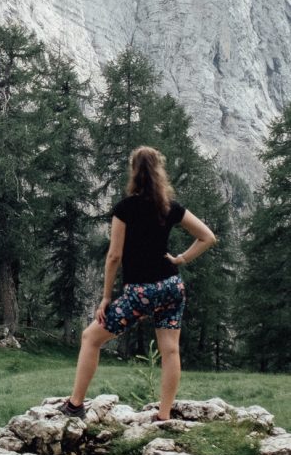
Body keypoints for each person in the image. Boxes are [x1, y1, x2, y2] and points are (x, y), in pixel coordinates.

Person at [63, 145, 217, 422]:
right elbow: (207, 236)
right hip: (171, 286)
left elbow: (114, 256)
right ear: (159, 171)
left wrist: (106, 297)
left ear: (134, 171)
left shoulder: (125, 208)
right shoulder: (169, 207)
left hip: (140, 292)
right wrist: (180, 259)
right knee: (170, 350)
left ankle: (75, 405)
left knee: (90, 338)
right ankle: (164, 415)